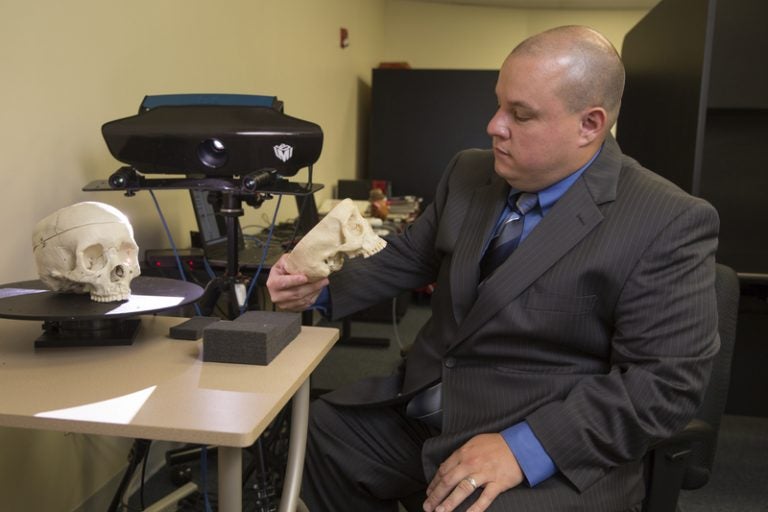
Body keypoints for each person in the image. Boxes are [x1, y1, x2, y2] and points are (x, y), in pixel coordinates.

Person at [267, 25, 720, 512]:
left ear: (589, 124)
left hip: (543, 430)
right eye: (499, 104)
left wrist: (526, 449)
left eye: (520, 115)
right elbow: (411, 256)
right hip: (428, 408)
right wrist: (318, 289)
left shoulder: (666, 220)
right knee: (316, 436)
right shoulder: (468, 172)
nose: (494, 125)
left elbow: (665, 385)